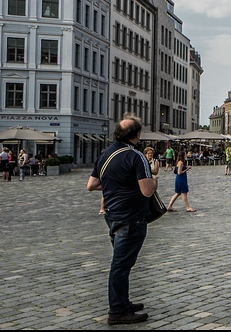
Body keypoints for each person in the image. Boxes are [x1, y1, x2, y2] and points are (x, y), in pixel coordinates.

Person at [87, 115, 157, 325]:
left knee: (122, 262)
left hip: (112, 215)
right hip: (132, 217)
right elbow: (146, 191)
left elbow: (91, 184)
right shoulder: (136, 157)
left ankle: (123, 302)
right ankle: (117, 311)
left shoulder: (106, 153)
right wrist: (154, 181)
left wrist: (117, 187)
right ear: (137, 135)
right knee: (121, 265)